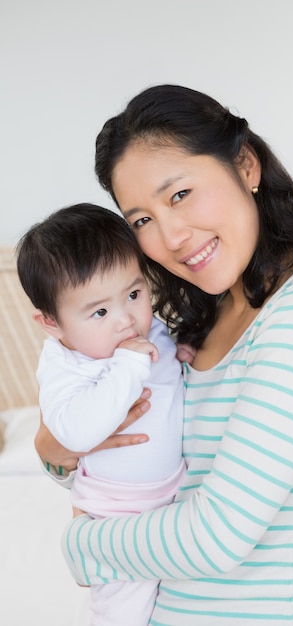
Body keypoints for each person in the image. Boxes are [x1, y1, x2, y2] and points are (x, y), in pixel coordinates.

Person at [35, 85, 293, 625]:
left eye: (179, 195)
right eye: (141, 219)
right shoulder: (190, 325)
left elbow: (215, 538)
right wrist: (55, 446)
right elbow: (129, 458)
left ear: (245, 165)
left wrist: (82, 545)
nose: (170, 236)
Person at [16, 204, 185, 626]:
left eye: (134, 293)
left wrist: (185, 352)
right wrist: (127, 365)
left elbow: (172, 363)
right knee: (124, 613)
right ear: (51, 323)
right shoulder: (64, 364)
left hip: (179, 497)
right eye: (99, 312)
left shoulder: (150, 328)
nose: (126, 320)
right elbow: (74, 432)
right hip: (116, 513)